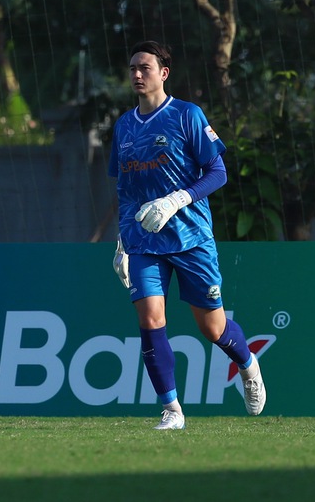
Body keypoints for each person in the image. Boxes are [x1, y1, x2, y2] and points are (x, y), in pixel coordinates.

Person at [108, 40, 266, 430]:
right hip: (144, 241)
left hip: (191, 236)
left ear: (164, 73)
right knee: (149, 317)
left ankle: (247, 363)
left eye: (144, 67)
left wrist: (177, 199)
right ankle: (172, 410)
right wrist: (121, 241)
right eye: (132, 68)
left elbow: (218, 172)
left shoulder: (186, 115)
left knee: (211, 327)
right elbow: (125, 191)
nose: (137, 74)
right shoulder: (124, 126)